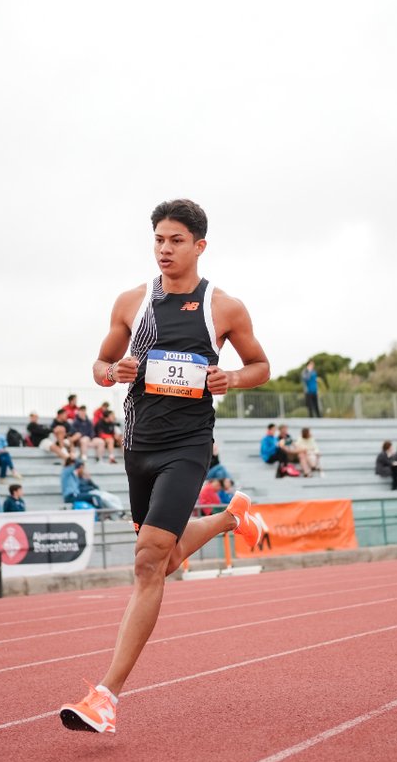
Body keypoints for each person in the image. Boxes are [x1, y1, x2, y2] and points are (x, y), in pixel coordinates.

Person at [60, 197, 269, 734]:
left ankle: (106, 696)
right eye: (158, 239)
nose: (164, 249)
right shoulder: (133, 303)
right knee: (168, 557)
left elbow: (260, 366)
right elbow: (99, 364)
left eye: (176, 240)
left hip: (189, 444)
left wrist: (233, 379)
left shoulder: (224, 308)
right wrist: (113, 371)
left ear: (199, 246)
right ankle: (230, 519)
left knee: (148, 562)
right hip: (139, 445)